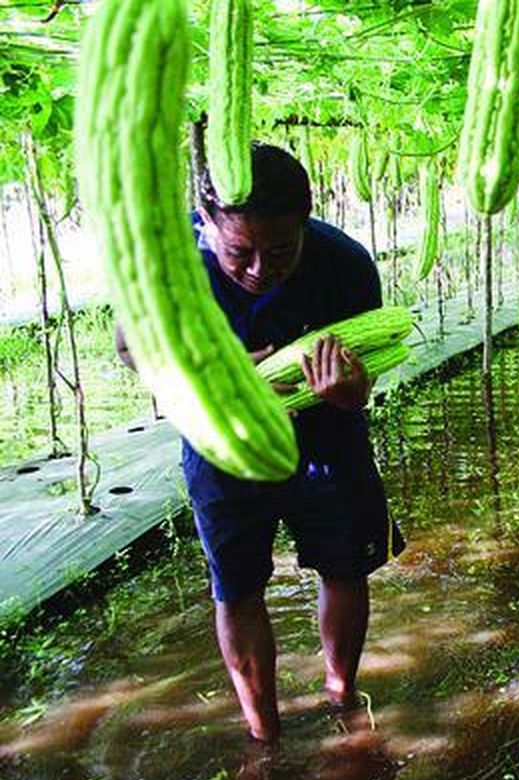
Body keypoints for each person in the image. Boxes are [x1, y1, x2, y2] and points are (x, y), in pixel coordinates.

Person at [115, 143, 400, 743]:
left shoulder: (346, 265)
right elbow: (133, 348)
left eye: (280, 251)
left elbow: (366, 372)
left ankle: (342, 695)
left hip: (327, 436)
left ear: (306, 222)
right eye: (239, 252)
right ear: (206, 221)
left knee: (345, 567)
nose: (257, 269)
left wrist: (350, 393)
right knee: (237, 584)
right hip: (223, 444)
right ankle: (263, 733)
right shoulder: (169, 270)